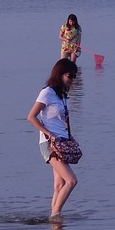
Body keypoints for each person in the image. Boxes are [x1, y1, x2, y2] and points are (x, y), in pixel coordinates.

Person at [27, 58, 80, 220]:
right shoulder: (47, 92)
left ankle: (56, 228)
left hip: (62, 142)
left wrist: (68, 137)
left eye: (74, 77)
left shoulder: (62, 95)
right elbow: (31, 117)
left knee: (59, 185)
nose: (72, 80)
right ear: (60, 75)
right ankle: (55, 216)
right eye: (69, 76)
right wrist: (49, 134)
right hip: (50, 143)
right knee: (71, 181)